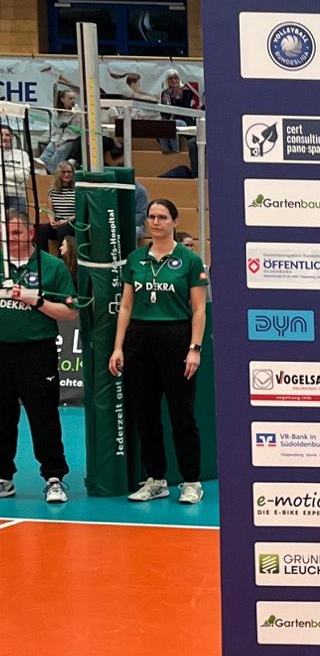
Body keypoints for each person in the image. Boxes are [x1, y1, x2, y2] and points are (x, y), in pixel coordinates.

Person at [107, 199, 207, 503]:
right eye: (151, 216)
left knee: (181, 414)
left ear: (174, 222)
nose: (156, 222)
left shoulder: (189, 261)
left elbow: (199, 310)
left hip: (175, 337)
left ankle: (191, 481)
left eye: (162, 217)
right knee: (146, 414)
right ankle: (155, 479)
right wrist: (118, 347)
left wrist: (194, 348)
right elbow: (126, 306)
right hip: (139, 339)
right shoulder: (135, 259)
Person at [0, 209, 77, 502]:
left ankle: (54, 478)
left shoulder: (51, 266)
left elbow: (69, 312)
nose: (10, 238)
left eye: (16, 233)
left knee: (43, 415)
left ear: (31, 233)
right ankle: (3, 477)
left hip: (36, 351)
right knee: (2, 416)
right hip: (1, 350)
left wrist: (36, 300)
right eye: (5, 234)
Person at [102, 137, 149, 239]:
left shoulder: (140, 191)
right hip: (112, 223)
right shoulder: (110, 190)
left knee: (133, 231)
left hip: (135, 225)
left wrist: (123, 224)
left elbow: (141, 215)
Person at [34, 159, 76, 254]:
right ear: (59, 173)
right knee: (40, 229)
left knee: (62, 229)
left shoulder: (77, 189)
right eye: (63, 172)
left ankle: (62, 258)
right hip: (57, 224)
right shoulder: (53, 189)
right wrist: (52, 220)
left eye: (69, 172)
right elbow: (50, 209)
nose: (66, 174)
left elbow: (80, 212)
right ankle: (43, 256)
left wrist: (66, 221)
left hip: (72, 224)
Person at [40, 89, 82, 173]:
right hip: (57, 139)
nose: (73, 101)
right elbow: (55, 129)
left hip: (71, 140)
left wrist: (61, 141)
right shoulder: (56, 113)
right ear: (62, 100)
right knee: (48, 150)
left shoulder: (77, 113)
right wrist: (56, 141)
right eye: (70, 98)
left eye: (74, 98)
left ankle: (50, 173)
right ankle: (42, 170)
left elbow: (73, 132)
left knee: (60, 151)